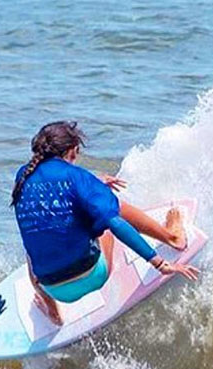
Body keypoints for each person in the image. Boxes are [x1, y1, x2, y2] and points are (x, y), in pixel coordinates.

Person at [11, 121, 200, 325]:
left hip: (53, 288)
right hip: (93, 275)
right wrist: (160, 264)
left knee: (38, 233)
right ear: (73, 151)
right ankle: (173, 237)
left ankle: (53, 312)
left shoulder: (23, 175)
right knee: (109, 207)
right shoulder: (76, 176)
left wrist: (94, 183)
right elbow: (115, 223)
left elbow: (54, 191)